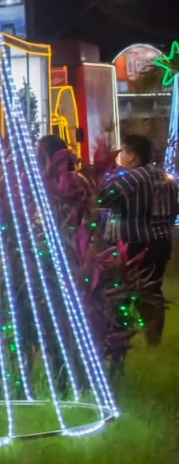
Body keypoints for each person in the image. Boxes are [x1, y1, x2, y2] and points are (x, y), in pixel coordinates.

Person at [98, 134, 176, 345]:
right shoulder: (165, 177)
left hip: (133, 245)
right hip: (161, 243)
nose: (119, 157)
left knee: (119, 292)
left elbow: (101, 198)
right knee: (152, 291)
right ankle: (153, 342)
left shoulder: (130, 179)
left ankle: (118, 339)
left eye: (122, 152)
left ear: (132, 156)